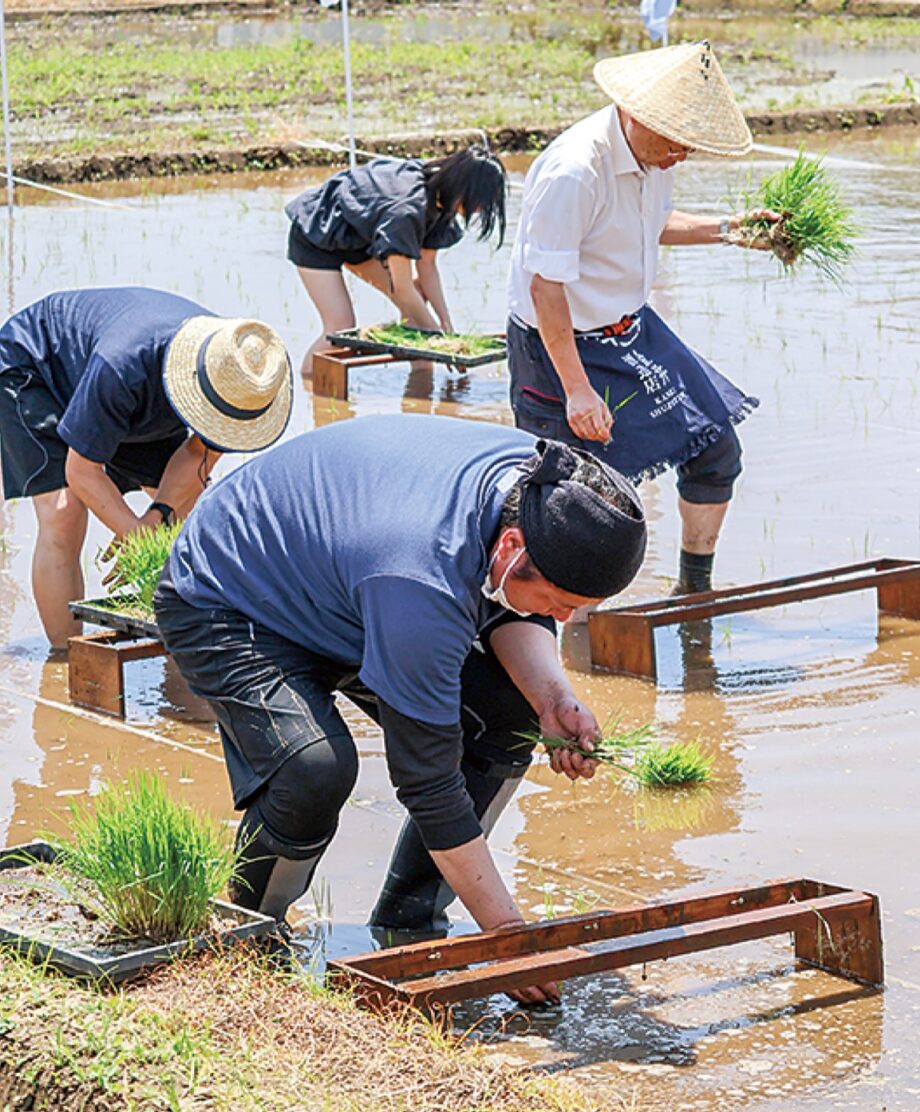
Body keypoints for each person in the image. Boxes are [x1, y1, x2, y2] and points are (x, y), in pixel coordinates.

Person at [154, 413, 647, 1003]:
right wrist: (508, 934)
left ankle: (409, 924)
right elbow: (428, 784)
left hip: (348, 584)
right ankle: (250, 937)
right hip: (229, 593)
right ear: (513, 547)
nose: (564, 619)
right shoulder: (420, 576)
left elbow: (518, 603)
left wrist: (551, 697)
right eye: (560, 602)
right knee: (312, 770)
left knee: (508, 719)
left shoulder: (545, 493)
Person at [507, 41, 779, 596]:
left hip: (628, 328)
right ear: (634, 113)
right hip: (558, 340)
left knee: (714, 448)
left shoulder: (654, 155)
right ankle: (567, 633)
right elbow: (545, 287)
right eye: (676, 139)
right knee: (571, 498)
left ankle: (692, 591)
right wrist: (577, 390)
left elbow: (649, 220)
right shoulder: (575, 171)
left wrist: (731, 230)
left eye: (692, 143)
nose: (683, 153)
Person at [0, 287, 292, 648]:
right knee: (64, 513)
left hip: (140, 393)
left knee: (188, 514)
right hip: (39, 368)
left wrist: (158, 516)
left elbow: (198, 455)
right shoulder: (123, 365)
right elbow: (82, 472)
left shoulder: (241, 373)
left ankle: (186, 638)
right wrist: (135, 536)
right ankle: (66, 660)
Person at [285, 146, 507, 379]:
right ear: (465, 189)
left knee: (417, 307)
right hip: (318, 231)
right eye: (481, 201)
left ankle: (420, 390)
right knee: (340, 327)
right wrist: (440, 343)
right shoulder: (407, 210)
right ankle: (307, 389)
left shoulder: (444, 197)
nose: (481, 209)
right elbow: (402, 288)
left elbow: (427, 267)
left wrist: (445, 324)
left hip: (360, 237)